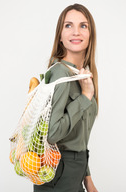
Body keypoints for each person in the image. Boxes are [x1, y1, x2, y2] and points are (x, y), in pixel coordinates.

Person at [34, 3, 99, 192]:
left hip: (75, 170)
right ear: (60, 36)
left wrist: (87, 177)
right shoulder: (60, 73)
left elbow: (81, 135)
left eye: (83, 26)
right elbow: (53, 134)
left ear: (90, 35)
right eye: (68, 25)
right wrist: (85, 97)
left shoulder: (82, 76)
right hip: (58, 170)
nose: (76, 32)